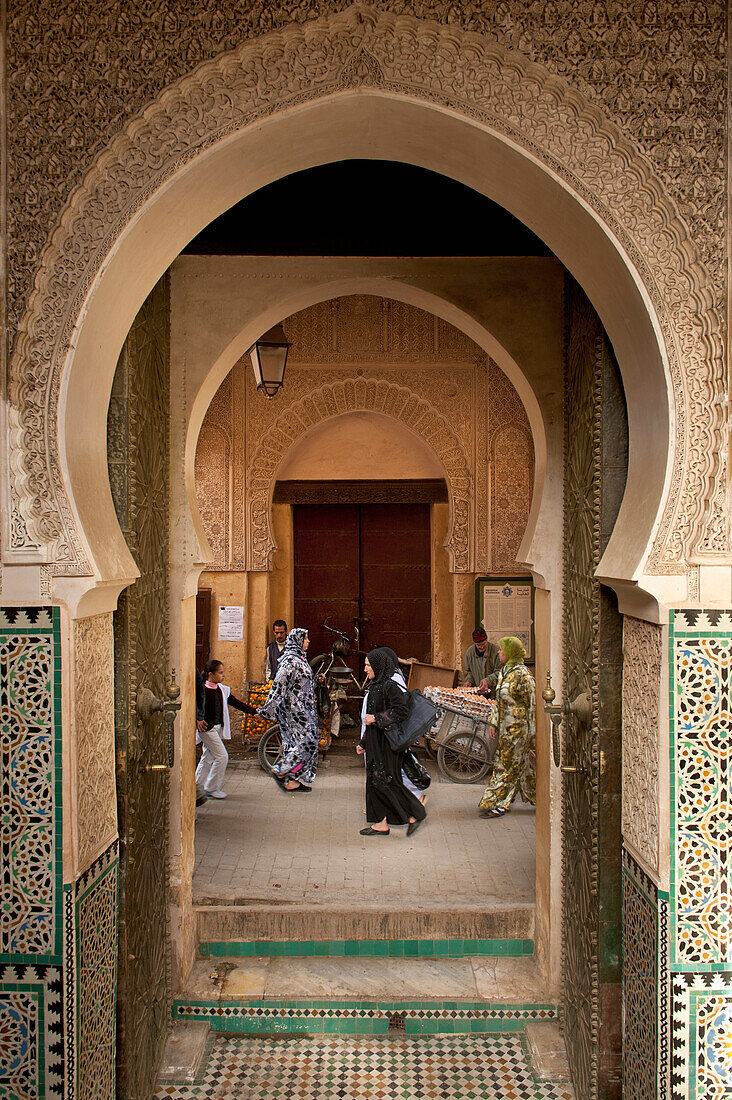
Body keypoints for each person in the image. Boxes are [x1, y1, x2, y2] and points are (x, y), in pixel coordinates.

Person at [357, 648, 427, 837]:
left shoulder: (389, 686)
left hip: (386, 745)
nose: (365, 669)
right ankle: (380, 823)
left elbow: (401, 711)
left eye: (368, 665)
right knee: (375, 782)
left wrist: (377, 718)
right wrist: (363, 743)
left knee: (389, 782)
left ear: (378, 667)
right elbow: (368, 720)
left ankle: (416, 813)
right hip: (375, 744)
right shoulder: (375, 686)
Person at [478, 636, 537, 818]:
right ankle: (540, 798)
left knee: (505, 766)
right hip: (505, 729)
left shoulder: (523, 675)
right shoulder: (505, 672)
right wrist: (494, 722)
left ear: (510, 653)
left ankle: (498, 803)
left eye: (502, 650)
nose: (498, 652)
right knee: (522, 766)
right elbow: (499, 701)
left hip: (519, 731)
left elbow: (532, 705)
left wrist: (533, 733)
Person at [258, 627, 319, 792]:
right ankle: (280, 771)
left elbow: (301, 684)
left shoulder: (300, 658)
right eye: (305, 639)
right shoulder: (290, 661)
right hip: (294, 712)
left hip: (304, 710)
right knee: (306, 743)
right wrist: (267, 709)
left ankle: (292, 781)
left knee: (300, 743)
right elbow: (278, 686)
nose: (308, 641)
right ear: (298, 640)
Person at [195, 659, 257, 801]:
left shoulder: (221, 689)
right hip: (207, 729)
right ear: (211, 674)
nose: (223, 676)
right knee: (222, 756)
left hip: (217, 727)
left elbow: (236, 703)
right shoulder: (202, 690)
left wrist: (254, 712)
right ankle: (211, 788)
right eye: (220, 673)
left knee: (208, 757)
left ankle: (197, 786)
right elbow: (195, 706)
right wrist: (197, 719)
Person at [464, 627, 502, 695]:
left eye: (484, 644)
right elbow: (468, 672)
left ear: (486, 640)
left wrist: (488, 681)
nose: (481, 647)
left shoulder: (496, 651)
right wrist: (469, 681)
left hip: (493, 693)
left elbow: (499, 671)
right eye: (478, 645)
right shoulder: (469, 653)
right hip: (478, 694)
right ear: (474, 643)